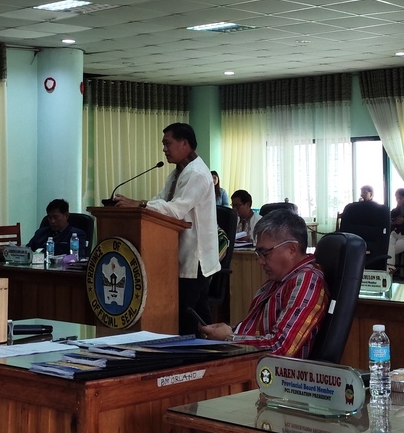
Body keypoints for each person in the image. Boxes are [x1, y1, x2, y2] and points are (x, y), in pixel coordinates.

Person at [114, 122, 220, 332]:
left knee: (187, 317)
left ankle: (202, 350)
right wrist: (139, 205)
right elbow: (161, 201)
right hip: (180, 256)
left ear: (184, 143)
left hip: (195, 257)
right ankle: (212, 348)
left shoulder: (197, 174)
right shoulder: (178, 172)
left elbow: (176, 210)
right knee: (198, 316)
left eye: (167, 143)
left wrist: (140, 204)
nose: (164, 149)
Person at [199, 211, 328, 357]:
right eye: (258, 254)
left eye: (265, 253)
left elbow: (280, 348)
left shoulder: (306, 281)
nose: (260, 261)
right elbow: (257, 331)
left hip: (269, 369)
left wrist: (229, 338)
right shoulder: (280, 279)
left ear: (292, 250)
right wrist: (229, 332)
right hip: (248, 360)